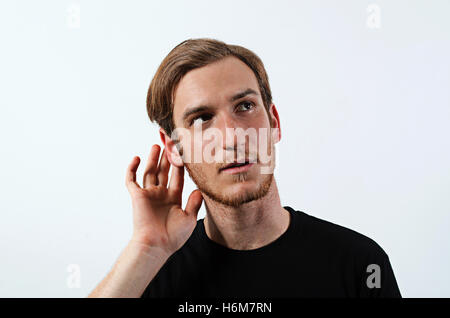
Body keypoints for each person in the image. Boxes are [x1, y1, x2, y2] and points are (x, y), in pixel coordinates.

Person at [88, 38, 401, 298]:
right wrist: (147, 248)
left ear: (274, 122)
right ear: (174, 148)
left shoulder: (360, 264)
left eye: (245, 106)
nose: (232, 135)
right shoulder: (150, 271)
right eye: (201, 119)